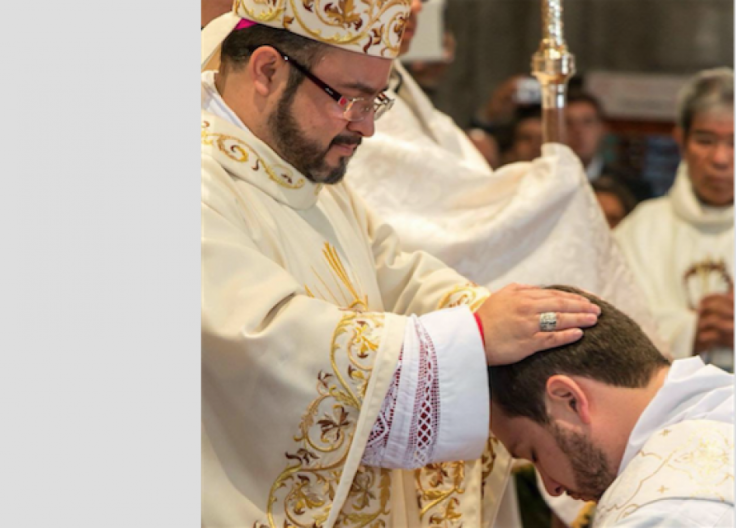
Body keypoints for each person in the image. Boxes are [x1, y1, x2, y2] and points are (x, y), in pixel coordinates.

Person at [200, 3, 604, 528]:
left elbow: (395, 272)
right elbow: (266, 339)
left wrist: (495, 313)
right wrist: (475, 337)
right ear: (268, 70)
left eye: (377, 101)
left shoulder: (299, 167)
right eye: (351, 99)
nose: (367, 127)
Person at [344, 0, 666, 352]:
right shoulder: (346, 102)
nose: (418, 6)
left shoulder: (400, 82)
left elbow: (460, 187)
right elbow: (421, 228)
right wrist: (549, 190)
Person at [488, 286, 734, 527]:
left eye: (534, 454)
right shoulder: (723, 401)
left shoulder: (662, 516)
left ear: (569, 399)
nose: (552, 488)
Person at [612, 68, 735, 372]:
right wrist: (689, 332)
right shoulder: (641, 228)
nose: (720, 159)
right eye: (705, 140)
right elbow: (614, 322)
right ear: (681, 141)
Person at [565, 91, 653, 202]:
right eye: (568, 123)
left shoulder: (634, 188)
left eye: (587, 122)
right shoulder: (546, 183)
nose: (578, 131)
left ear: (603, 129)